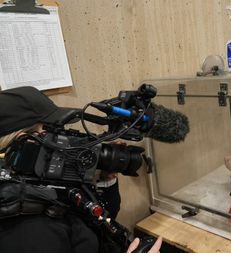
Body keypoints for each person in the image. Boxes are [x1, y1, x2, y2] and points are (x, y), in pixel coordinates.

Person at [0, 86, 162, 253]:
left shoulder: (38, 183)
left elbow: (99, 217)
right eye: (52, 130)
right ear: (25, 143)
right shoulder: (27, 232)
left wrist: (105, 178)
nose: (63, 137)